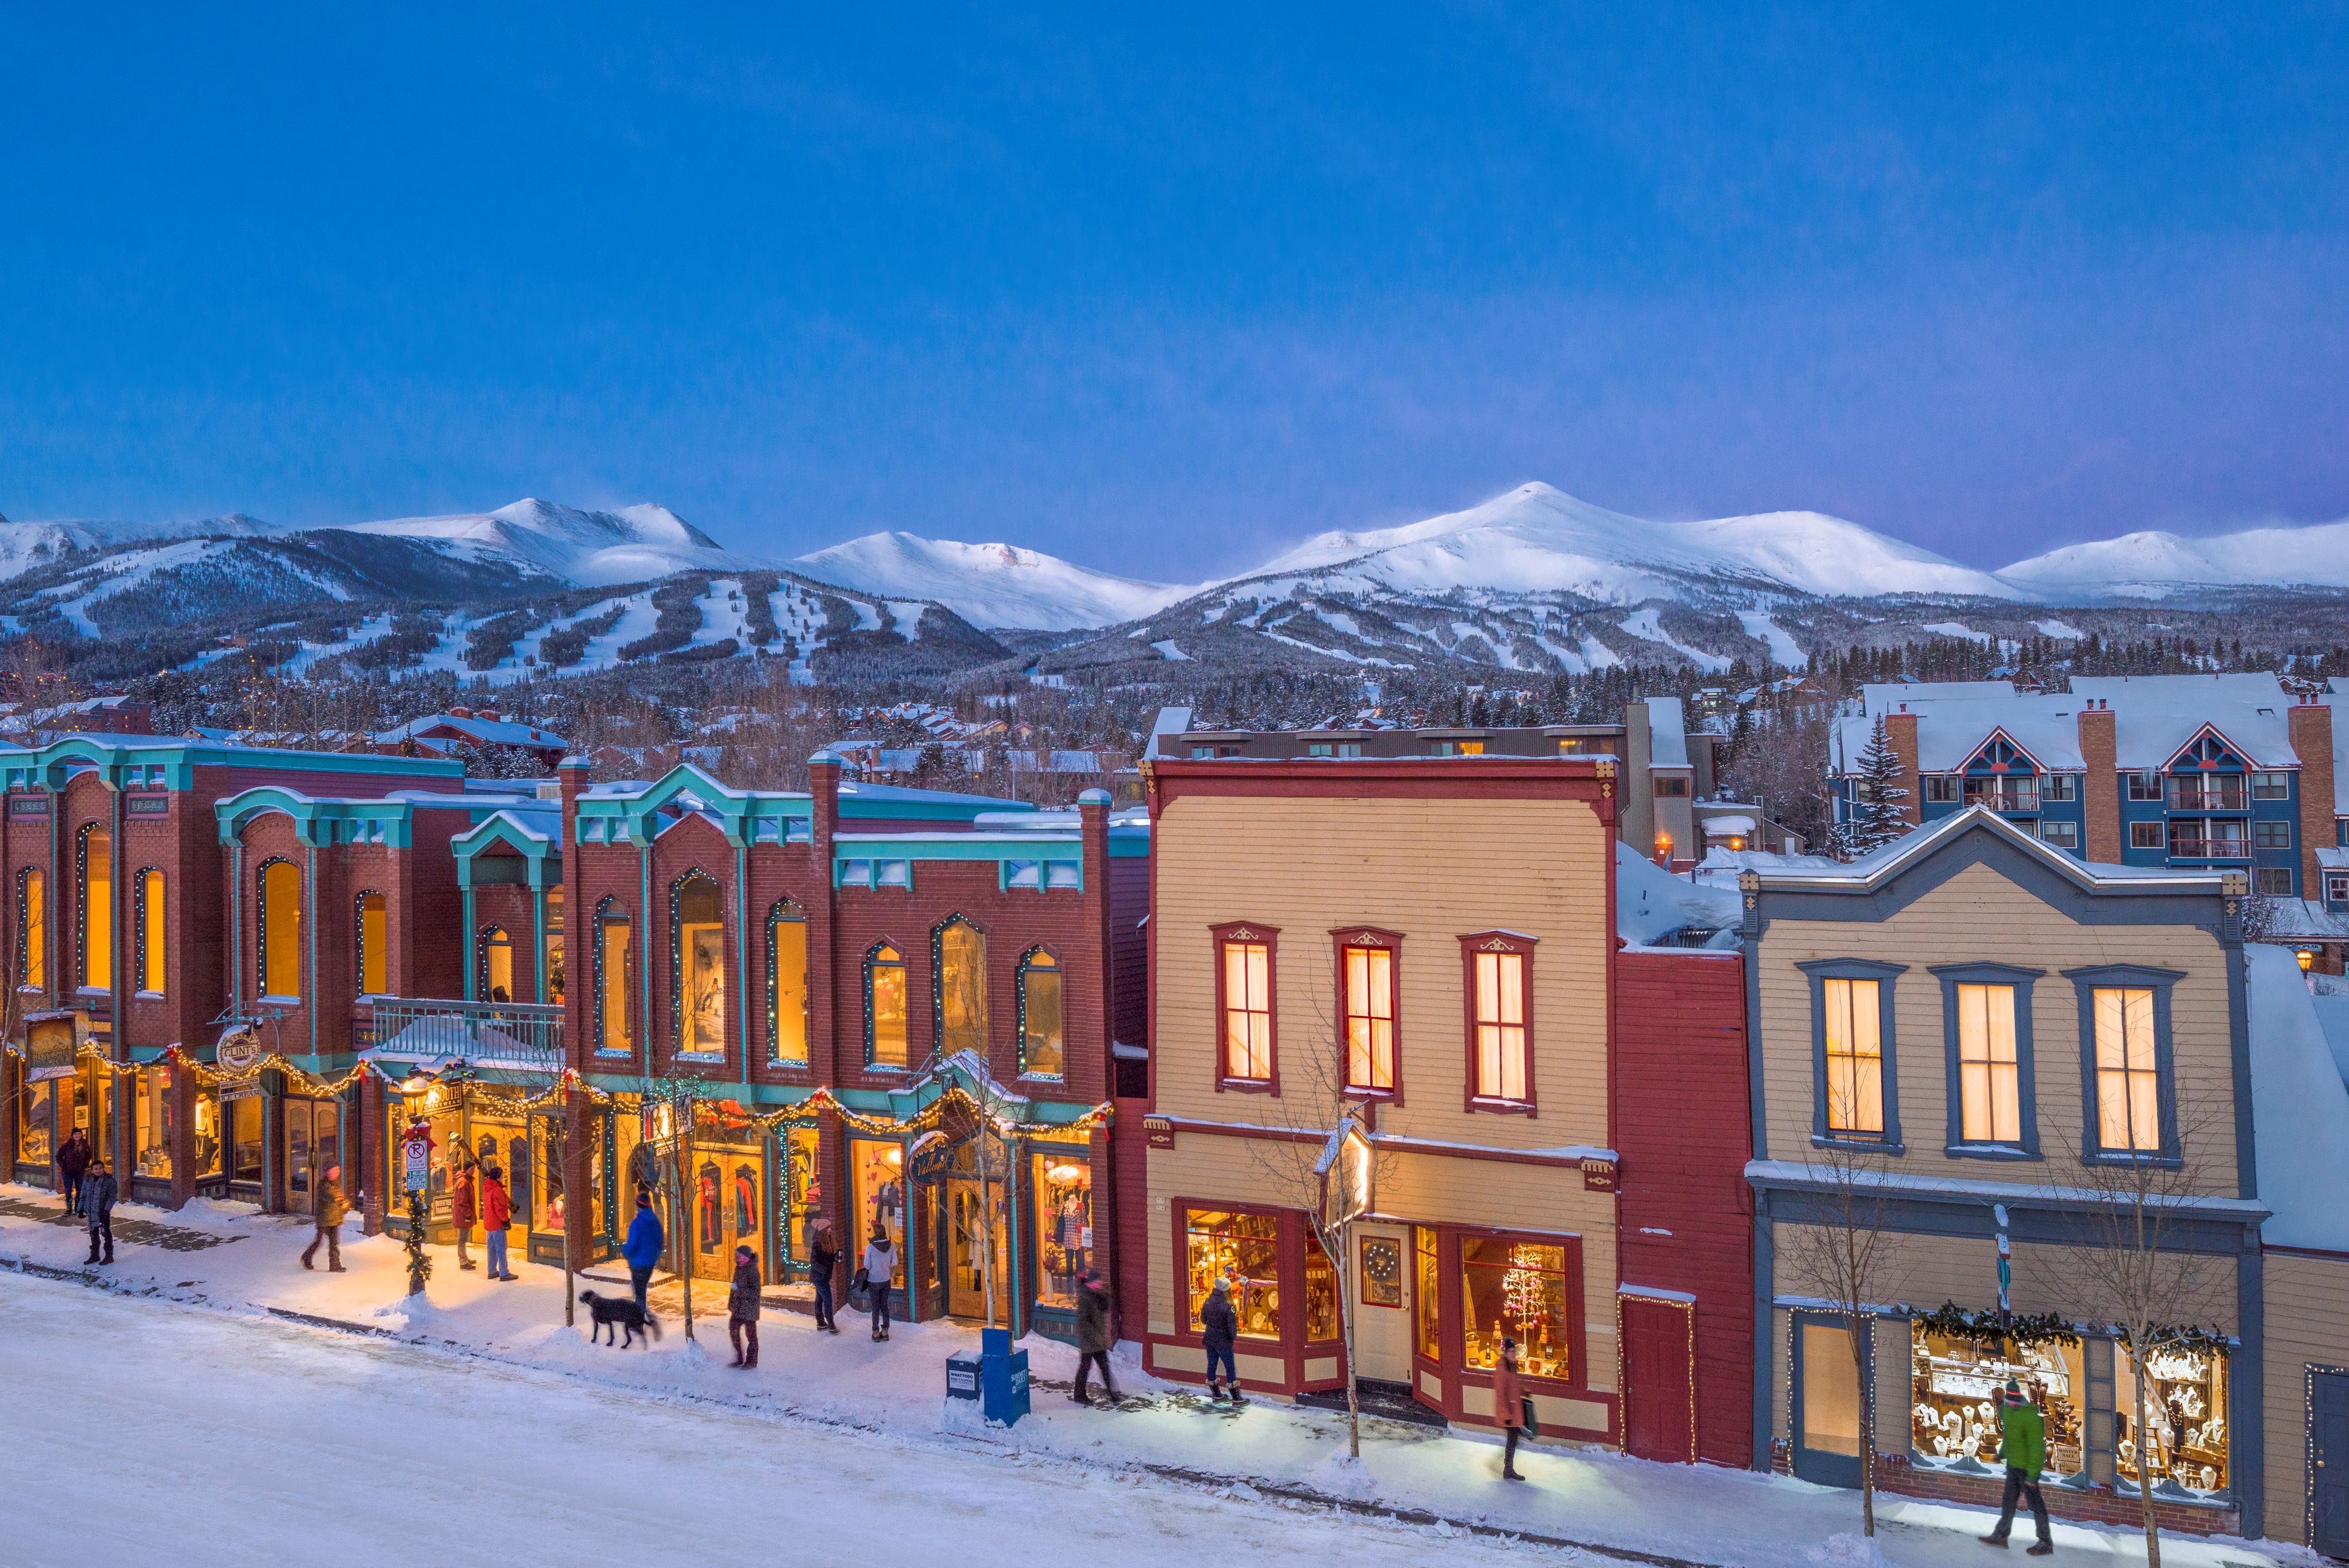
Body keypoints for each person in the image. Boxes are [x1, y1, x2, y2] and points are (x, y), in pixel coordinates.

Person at [1980, 1379, 2054, 1554]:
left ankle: (2045, 1542)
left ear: (2020, 1398)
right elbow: (2009, 1438)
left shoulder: (2031, 1416)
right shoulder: (2009, 1412)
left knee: (2036, 1505)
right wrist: (2001, 1454)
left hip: (2027, 1469)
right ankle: (2001, 1536)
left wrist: (2033, 1475)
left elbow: (2037, 1447)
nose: (2011, 1403)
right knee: (2008, 1503)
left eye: (2014, 1400)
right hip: (2013, 1466)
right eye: (2009, 1400)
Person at [1072, 1267, 1119, 1406]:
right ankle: (1079, 1395)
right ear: (1092, 1282)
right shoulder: (1085, 1298)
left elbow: (1106, 1307)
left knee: (1104, 1367)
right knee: (1085, 1368)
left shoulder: (1097, 1295)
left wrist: (1105, 1293)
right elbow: (1084, 1322)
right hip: (1089, 1340)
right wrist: (1096, 1337)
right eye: (1098, 1280)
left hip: (1098, 1339)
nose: (1100, 1282)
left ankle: (1112, 1394)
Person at [621, 1187, 664, 1314]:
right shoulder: (655, 1221)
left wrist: (625, 1251)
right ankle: (643, 1313)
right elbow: (660, 1241)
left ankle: (641, 1318)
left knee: (639, 1293)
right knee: (641, 1290)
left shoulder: (637, 1223)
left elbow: (633, 1244)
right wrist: (654, 1256)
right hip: (649, 1263)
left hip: (637, 1264)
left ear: (638, 1205)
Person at [301, 1165, 349, 1272]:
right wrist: (341, 1201)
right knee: (319, 1241)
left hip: (335, 1218)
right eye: (334, 1171)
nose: (337, 1173)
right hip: (324, 1219)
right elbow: (332, 1196)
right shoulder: (323, 1185)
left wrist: (344, 1204)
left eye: (338, 1171)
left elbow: (339, 1199)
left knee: (334, 1243)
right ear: (328, 1172)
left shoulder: (336, 1183)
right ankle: (307, 1257)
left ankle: (335, 1265)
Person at [1200, 1276, 1241, 1402]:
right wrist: (1233, 1338)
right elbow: (1232, 1327)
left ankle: (1216, 1394)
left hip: (1210, 1339)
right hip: (1223, 1341)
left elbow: (1203, 1320)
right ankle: (1236, 1397)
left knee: (1212, 1365)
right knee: (1230, 1367)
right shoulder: (1229, 1305)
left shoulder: (1208, 1302)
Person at [1495, 1337, 1529, 1480]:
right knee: (1513, 1440)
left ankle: (1508, 1468)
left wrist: (1524, 1391)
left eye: (1514, 1351)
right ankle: (1508, 1469)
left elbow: (1514, 1385)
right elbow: (1501, 1393)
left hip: (1514, 1409)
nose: (1513, 1354)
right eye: (1510, 1351)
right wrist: (1506, 1415)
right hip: (1509, 1412)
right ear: (1505, 1352)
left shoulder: (1512, 1366)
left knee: (1514, 1439)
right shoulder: (1503, 1369)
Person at [728, 1244, 762, 1369]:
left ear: (745, 1256)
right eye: (736, 1254)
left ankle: (752, 1361)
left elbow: (756, 1292)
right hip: (738, 1307)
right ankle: (739, 1358)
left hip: (749, 1307)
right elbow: (734, 1288)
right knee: (733, 1329)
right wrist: (732, 1303)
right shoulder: (739, 1268)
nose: (736, 1256)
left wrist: (740, 1291)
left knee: (751, 1335)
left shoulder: (753, 1270)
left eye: (739, 1254)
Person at [81, 1156, 118, 1266]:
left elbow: (112, 1197)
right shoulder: (88, 1181)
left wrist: (106, 1210)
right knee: (93, 1233)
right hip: (91, 1212)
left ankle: (109, 1256)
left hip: (103, 1212)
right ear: (92, 1170)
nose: (98, 1171)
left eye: (100, 1168)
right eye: (96, 1169)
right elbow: (83, 1195)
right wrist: (80, 1209)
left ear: (104, 1168)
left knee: (106, 1233)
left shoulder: (110, 1180)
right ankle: (95, 1255)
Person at [481, 1165, 516, 1281]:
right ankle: (504, 1272)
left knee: (491, 1248)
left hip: (488, 1222)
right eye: (502, 1175)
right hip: (497, 1223)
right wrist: (506, 1221)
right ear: (499, 1176)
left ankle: (491, 1271)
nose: (503, 1177)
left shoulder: (487, 1188)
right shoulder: (497, 1190)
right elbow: (500, 1208)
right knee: (501, 1248)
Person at [862, 1224, 896, 1341]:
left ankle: (876, 1332)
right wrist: (886, 1265)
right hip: (886, 1279)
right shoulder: (891, 1246)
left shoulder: (870, 1247)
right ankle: (885, 1331)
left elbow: (867, 1265)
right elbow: (895, 1262)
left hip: (874, 1280)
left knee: (875, 1307)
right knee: (885, 1306)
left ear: (875, 1233)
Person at [809, 1217, 841, 1335]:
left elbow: (828, 1258)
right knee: (828, 1299)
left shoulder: (827, 1242)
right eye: (828, 1228)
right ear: (823, 1230)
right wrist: (823, 1270)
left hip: (823, 1276)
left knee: (820, 1299)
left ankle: (821, 1323)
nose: (830, 1230)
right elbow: (813, 1261)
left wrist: (836, 1257)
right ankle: (831, 1325)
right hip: (819, 1277)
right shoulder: (817, 1244)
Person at [450, 1162, 479, 1271]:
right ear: (467, 1169)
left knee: (463, 1238)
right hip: (463, 1216)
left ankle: (464, 1258)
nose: (474, 1171)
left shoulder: (465, 1180)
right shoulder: (464, 1182)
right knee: (462, 1239)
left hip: (462, 1215)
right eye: (472, 1169)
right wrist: (468, 1215)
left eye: (474, 1169)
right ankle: (463, 1261)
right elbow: (462, 1202)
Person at [57, 1127, 90, 1218]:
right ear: (72, 1136)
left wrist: (85, 1164)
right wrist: (64, 1166)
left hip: (79, 1171)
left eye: (79, 1134)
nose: (78, 1136)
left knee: (80, 1190)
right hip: (67, 1172)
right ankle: (69, 1209)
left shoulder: (85, 1145)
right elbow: (58, 1157)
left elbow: (89, 1156)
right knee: (68, 1190)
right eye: (76, 1134)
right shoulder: (67, 1145)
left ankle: (78, 1209)